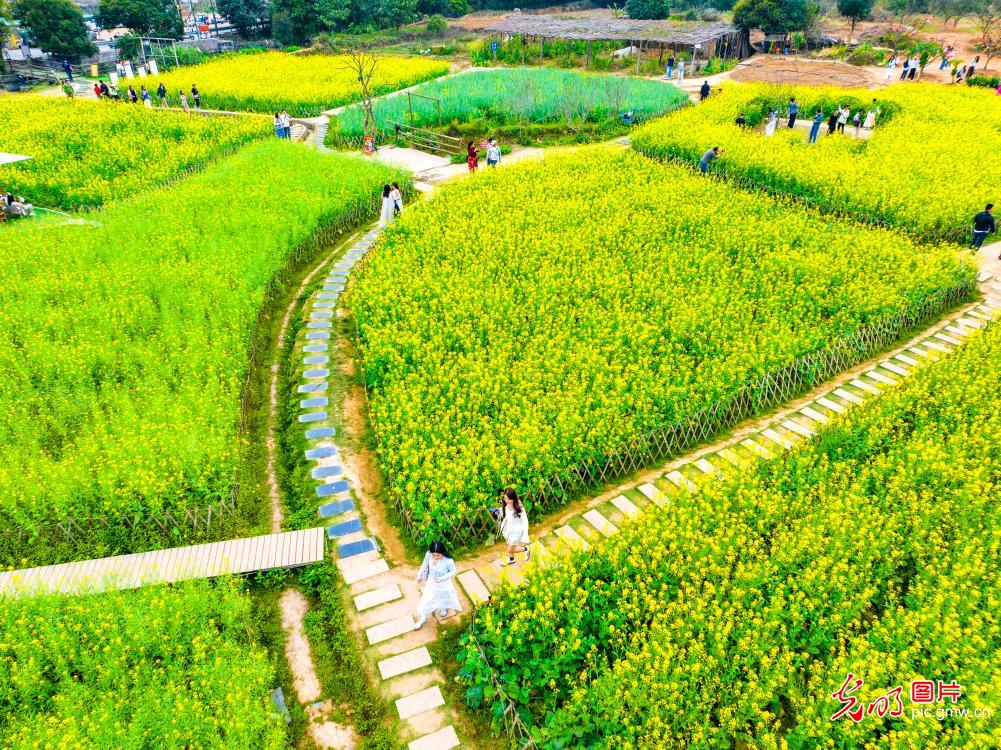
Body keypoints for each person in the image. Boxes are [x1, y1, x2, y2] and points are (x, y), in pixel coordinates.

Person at [413, 542, 461, 629]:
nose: (435, 557)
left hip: (444, 583)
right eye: (433, 555)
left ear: (442, 552)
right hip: (431, 582)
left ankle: (444, 608)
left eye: (438, 555)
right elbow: (424, 564)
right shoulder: (428, 554)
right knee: (426, 599)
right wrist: (419, 574)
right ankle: (423, 617)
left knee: (444, 597)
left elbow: (453, 571)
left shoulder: (448, 561)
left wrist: (441, 578)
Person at [499, 488, 530, 566]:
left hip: (517, 531)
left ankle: (525, 549)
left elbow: (525, 520)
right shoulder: (505, 504)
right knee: (509, 544)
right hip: (508, 529)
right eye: (505, 498)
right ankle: (512, 559)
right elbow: (506, 514)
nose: (507, 501)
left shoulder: (519, 507)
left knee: (509, 549)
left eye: (509, 499)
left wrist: (525, 534)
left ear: (514, 498)